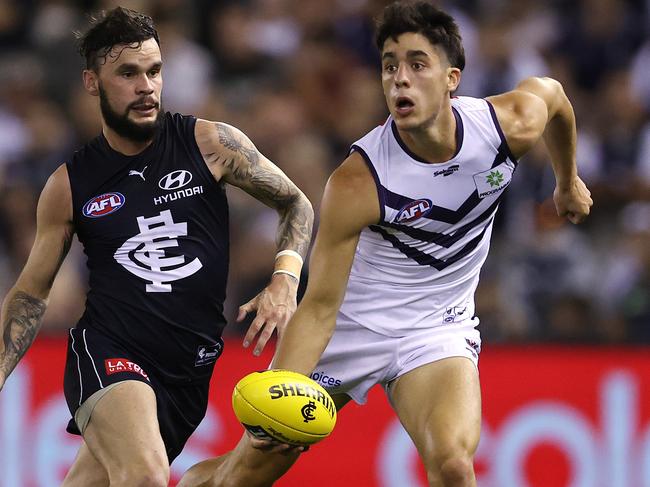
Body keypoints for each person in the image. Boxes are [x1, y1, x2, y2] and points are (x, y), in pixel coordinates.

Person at [180, 1, 593, 486]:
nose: (400, 78)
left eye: (418, 64)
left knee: (456, 468)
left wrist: (567, 181)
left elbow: (557, 98)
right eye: (390, 66)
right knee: (243, 476)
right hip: (352, 328)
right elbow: (319, 306)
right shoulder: (359, 181)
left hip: (436, 327)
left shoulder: (507, 127)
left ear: (451, 78)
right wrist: (283, 386)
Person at [0, 7, 313, 487]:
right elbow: (30, 294)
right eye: (127, 73)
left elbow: (297, 204)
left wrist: (284, 279)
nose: (146, 86)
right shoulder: (70, 185)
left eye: (154, 71)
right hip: (109, 351)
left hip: (188, 373)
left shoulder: (211, 143)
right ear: (92, 82)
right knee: (145, 475)